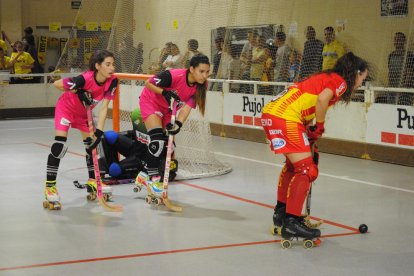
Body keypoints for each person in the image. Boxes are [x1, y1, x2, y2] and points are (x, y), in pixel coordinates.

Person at [262, 52, 369, 241]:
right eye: (362, 78)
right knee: (307, 170)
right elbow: (321, 100)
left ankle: (282, 213)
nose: (361, 83)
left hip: (274, 114)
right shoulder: (340, 82)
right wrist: (319, 126)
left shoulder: (325, 77)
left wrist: (309, 131)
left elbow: (308, 103)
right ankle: (292, 221)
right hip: (285, 117)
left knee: (294, 166)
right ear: (355, 73)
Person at [43, 50, 118, 210]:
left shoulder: (112, 81)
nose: (112, 68)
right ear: (98, 66)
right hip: (67, 109)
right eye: (108, 64)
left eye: (113, 64)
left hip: (85, 114)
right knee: (59, 147)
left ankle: (93, 181)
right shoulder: (84, 78)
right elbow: (56, 84)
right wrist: (79, 90)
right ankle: (50, 187)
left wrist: (99, 132)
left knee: (93, 147)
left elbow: (104, 108)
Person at [136, 54, 210, 197]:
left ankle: (143, 174)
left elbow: (187, 108)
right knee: (157, 141)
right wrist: (165, 92)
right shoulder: (173, 76)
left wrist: (178, 124)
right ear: (192, 69)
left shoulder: (202, 86)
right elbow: (148, 83)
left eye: (207, 72)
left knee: (167, 146)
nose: (205, 76)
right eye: (201, 71)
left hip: (169, 109)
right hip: (151, 101)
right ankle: (153, 179)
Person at [387, 32, 414, 105]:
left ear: (404, 41)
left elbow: (409, 74)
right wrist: (389, 87)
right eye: (395, 39)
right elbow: (390, 73)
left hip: (404, 92)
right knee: (390, 110)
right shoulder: (391, 55)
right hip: (392, 89)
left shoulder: (409, 55)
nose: (397, 41)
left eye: (399, 39)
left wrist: (402, 90)